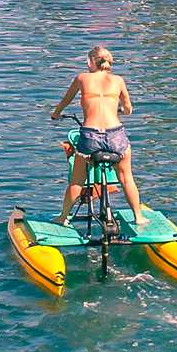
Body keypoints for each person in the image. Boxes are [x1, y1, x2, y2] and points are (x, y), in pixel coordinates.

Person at [51, 45, 144, 223]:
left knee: (77, 181)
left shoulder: (82, 78)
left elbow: (65, 101)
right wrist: (119, 110)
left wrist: (56, 114)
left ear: (90, 62)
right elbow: (128, 109)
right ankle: (138, 217)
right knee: (126, 178)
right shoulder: (118, 80)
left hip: (90, 137)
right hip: (115, 135)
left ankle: (62, 217)